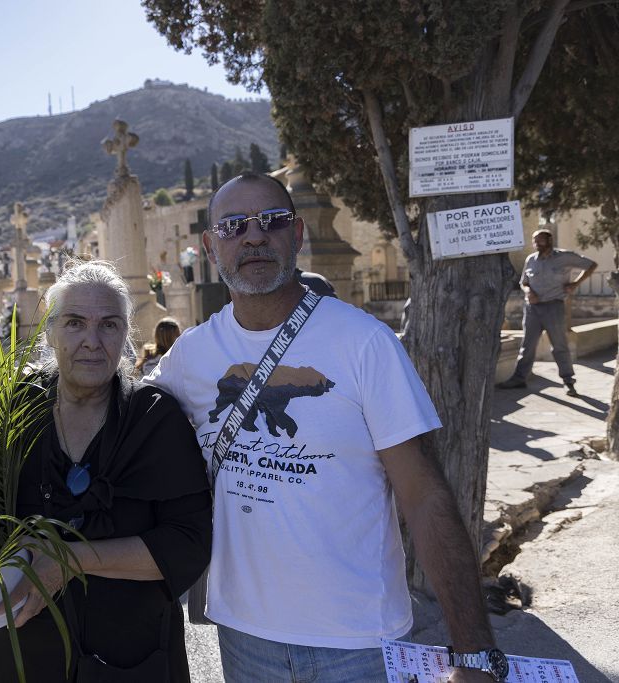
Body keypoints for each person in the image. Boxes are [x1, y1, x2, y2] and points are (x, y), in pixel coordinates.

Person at [146, 172, 507, 682]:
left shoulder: (365, 344)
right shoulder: (190, 356)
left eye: (270, 222)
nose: (253, 236)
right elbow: (124, 417)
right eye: (233, 226)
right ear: (210, 246)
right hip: (244, 638)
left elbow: (424, 496)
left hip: (360, 643)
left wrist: (473, 652)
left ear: (296, 236)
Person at [0, 260, 212, 683]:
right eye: (74, 323)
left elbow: (190, 543)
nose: (92, 340)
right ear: (50, 332)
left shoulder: (156, 420)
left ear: (125, 334)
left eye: (108, 325)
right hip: (22, 655)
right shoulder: (12, 412)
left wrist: (70, 560)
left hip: (130, 658)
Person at [497, 229, 597, 396]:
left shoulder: (564, 257)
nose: (536, 244)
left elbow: (591, 265)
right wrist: (529, 291)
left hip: (554, 307)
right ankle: (519, 379)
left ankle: (568, 381)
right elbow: (524, 282)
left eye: (540, 240)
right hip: (532, 309)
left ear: (549, 241)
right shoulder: (531, 260)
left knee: (559, 346)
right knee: (527, 346)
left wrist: (575, 283)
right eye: (534, 241)